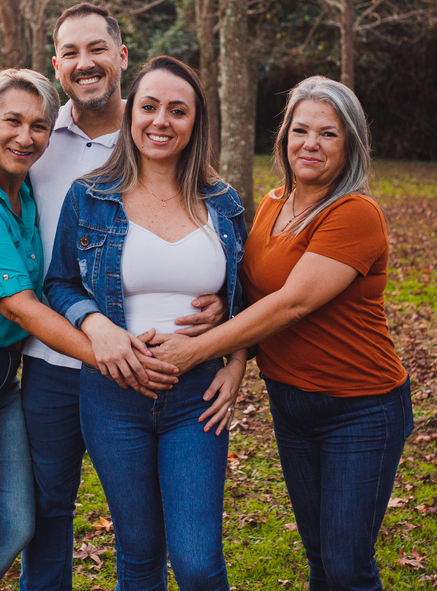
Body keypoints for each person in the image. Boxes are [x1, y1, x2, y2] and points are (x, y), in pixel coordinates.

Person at [0, 68, 178, 591]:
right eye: (12, 122)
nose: (26, 137)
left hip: (0, 376)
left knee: (16, 523)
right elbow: (21, 306)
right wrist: (107, 350)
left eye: (39, 126)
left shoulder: (23, 194)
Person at [150, 76, 414, 591]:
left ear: (351, 144)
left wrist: (198, 350)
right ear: (284, 138)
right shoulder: (275, 203)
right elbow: (252, 288)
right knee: (320, 558)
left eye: (328, 134)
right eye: (300, 130)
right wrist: (222, 317)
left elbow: (292, 302)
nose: (310, 144)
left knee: (346, 567)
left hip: (359, 408)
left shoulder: (355, 213)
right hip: (292, 404)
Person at [20, 4, 226, 590]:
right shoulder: (35, 137)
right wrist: (91, 324)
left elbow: (236, 276)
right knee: (47, 514)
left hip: (170, 379)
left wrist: (225, 320)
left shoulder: (160, 141)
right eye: (71, 53)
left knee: (176, 551)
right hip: (55, 363)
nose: (85, 64)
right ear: (56, 63)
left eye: (97, 50)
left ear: (121, 58)